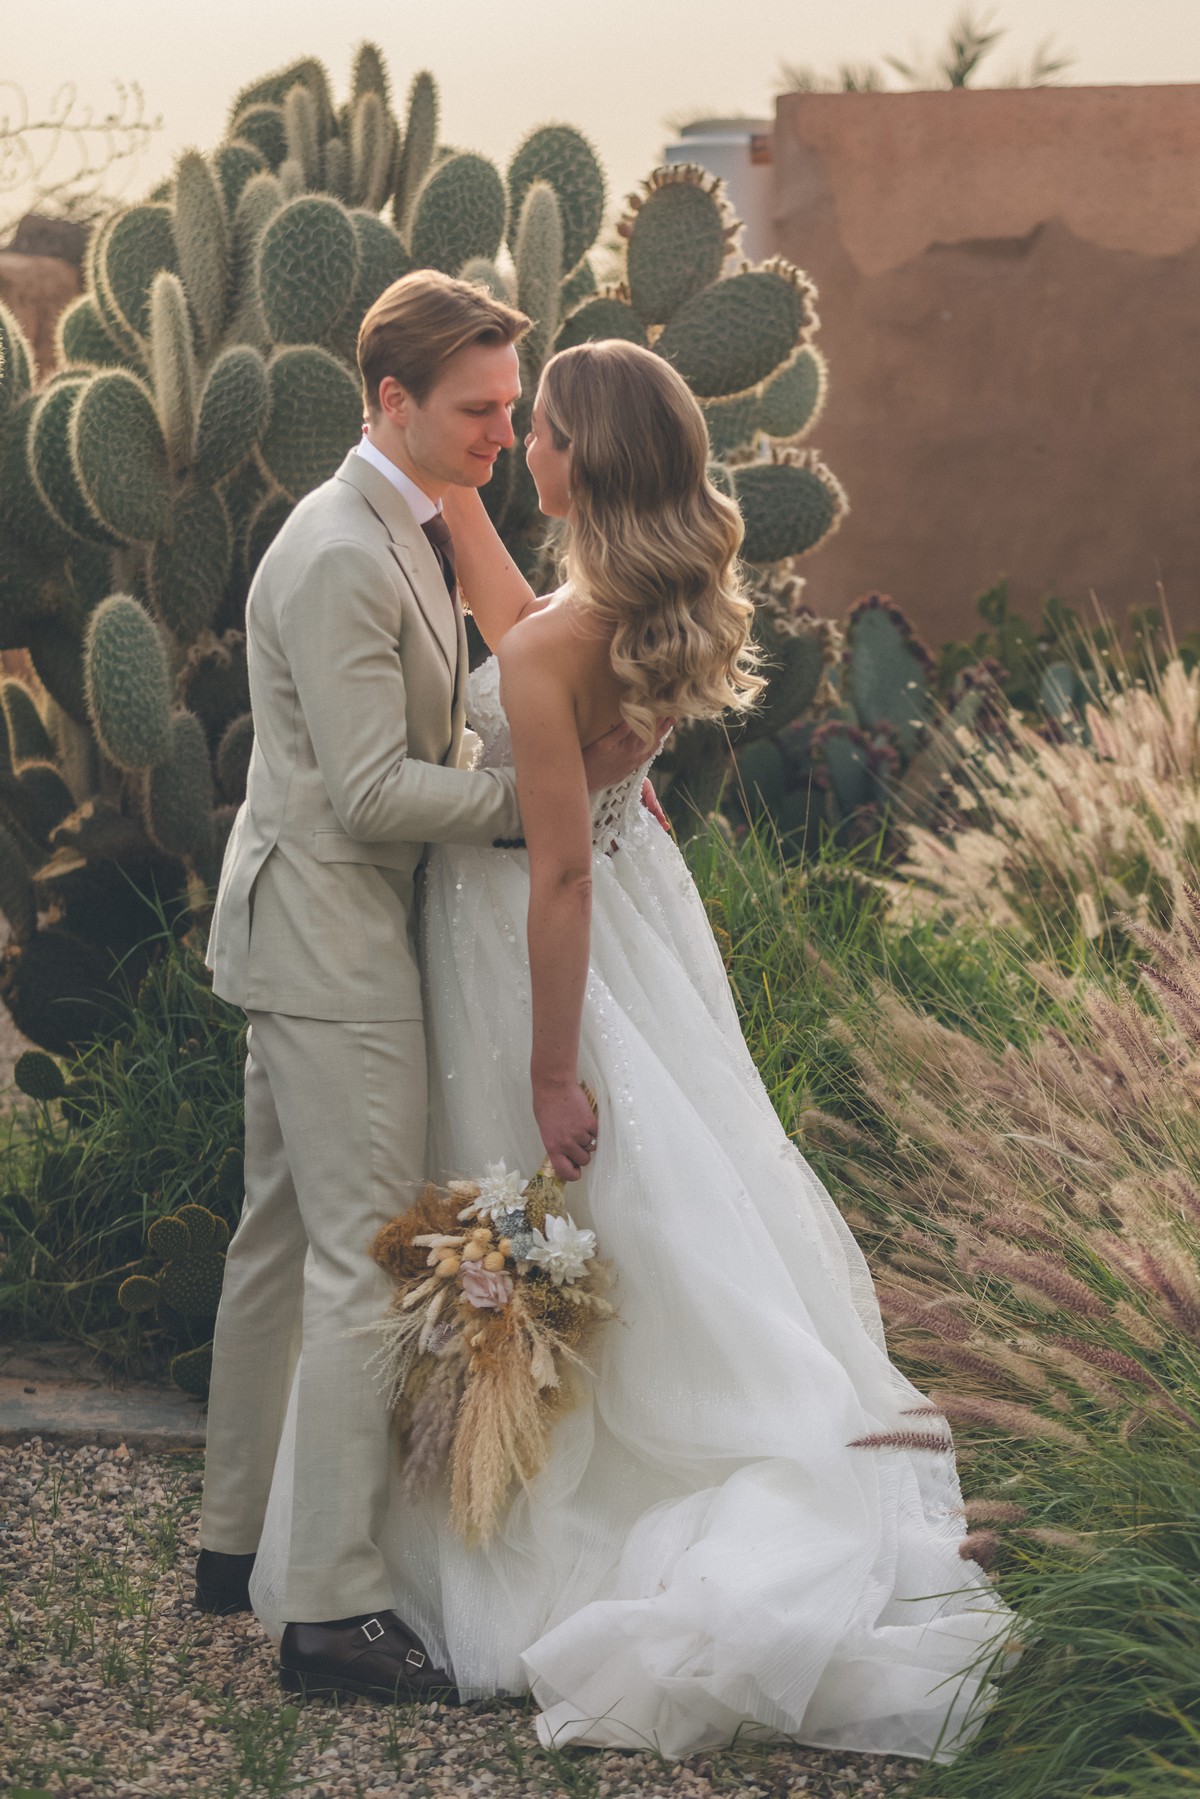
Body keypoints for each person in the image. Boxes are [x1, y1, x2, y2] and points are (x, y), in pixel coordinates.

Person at [249, 338, 1013, 1759]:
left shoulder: (550, 649)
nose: (509, 438)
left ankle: (501, 1543)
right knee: (635, 1243)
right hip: (642, 946)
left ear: (575, 461)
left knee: (540, 1216)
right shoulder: (626, 615)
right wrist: (433, 447)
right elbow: (522, 609)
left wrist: (550, 1073)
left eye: (525, 424)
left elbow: (556, 877)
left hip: (530, 957)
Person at [197, 274, 660, 1705]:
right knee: (354, 1257)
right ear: (388, 400)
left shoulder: (396, 525)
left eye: (511, 412)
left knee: (281, 1238)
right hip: (332, 948)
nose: (496, 435)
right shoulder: (340, 550)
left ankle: (233, 1540)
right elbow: (367, 789)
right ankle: (328, 1613)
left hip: (309, 932)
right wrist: (538, 806)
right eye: (473, 410)